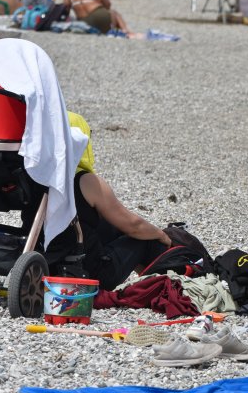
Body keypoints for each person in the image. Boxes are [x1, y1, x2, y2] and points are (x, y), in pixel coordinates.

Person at [64, 113, 173, 291]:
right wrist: (161, 235)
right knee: (148, 239)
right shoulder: (86, 181)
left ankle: (150, 282)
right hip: (89, 275)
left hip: (47, 265)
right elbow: (133, 225)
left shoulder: (37, 179)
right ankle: (163, 288)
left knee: (109, 224)